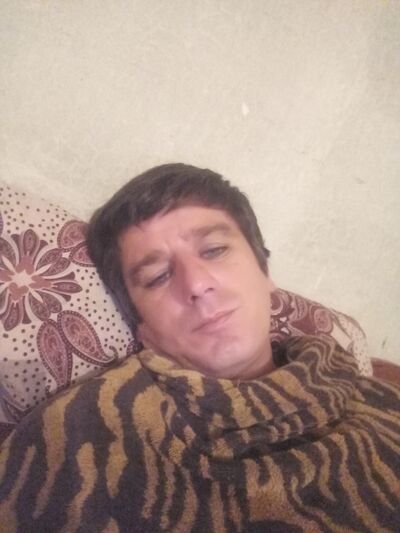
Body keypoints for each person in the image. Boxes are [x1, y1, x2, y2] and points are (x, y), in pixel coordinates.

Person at [0, 163, 399, 532]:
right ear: (143, 330)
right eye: (158, 276)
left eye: (214, 250)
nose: (196, 284)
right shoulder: (78, 436)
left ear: (264, 271)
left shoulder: (380, 400)